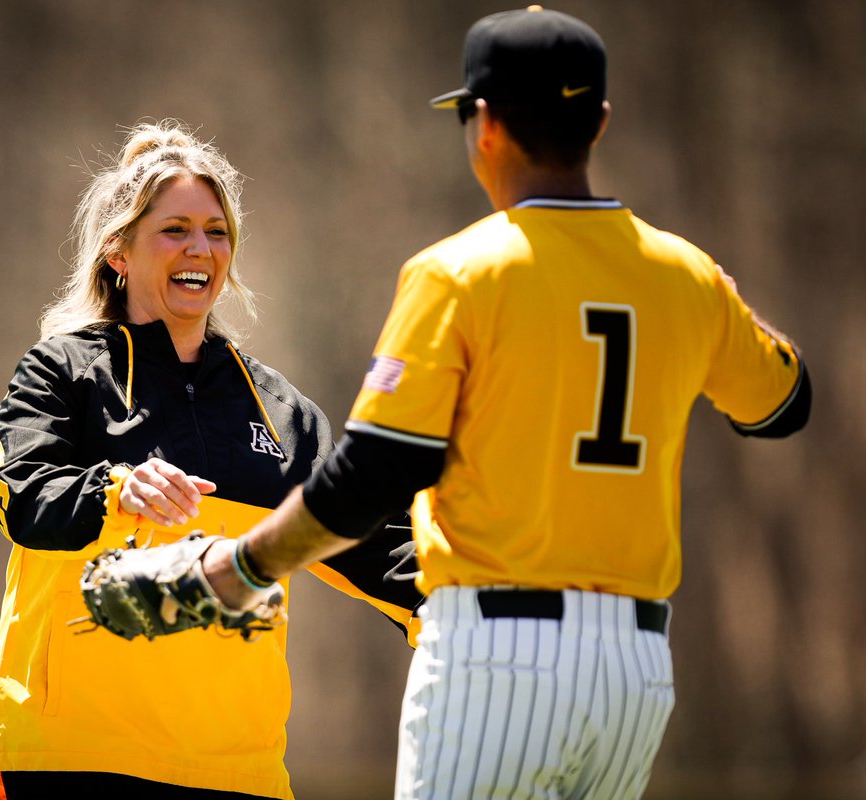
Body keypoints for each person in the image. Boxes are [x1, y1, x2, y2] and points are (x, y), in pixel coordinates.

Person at [139, 7, 811, 799]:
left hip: (499, 652)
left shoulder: (460, 272)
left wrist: (241, 566)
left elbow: (375, 473)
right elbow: (784, 403)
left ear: (484, 124)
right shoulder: (684, 275)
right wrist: (717, 298)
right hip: (636, 670)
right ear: (598, 121)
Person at [0, 119, 423, 799]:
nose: (202, 248)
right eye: (175, 229)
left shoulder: (284, 412)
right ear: (118, 252)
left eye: (217, 232)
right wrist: (112, 490)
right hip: (73, 761)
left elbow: (372, 542)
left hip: (236, 773)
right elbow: (17, 495)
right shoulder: (59, 371)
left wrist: (476, 604)